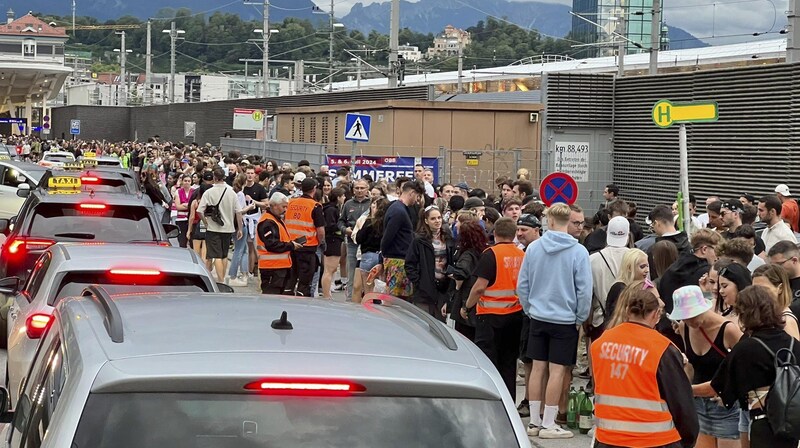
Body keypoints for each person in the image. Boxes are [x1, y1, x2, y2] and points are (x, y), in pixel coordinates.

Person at [518, 202, 592, 440]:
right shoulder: (578, 251)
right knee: (558, 370)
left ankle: (534, 421)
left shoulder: (534, 248)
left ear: (548, 221)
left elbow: (523, 285)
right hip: (565, 319)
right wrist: (579, 317)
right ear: (567, 221)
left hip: (538, 316)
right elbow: (584, 290)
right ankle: (549, 422)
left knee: (537, 368)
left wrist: (530, 309)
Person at [592, 287, 699, 448]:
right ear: (656, 315)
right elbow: (680, 402)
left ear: (627, 311)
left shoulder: (600, 344)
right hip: (655, 440)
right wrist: (688, 439)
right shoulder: (662, 348)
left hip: (608, 437)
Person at [697, 286, 800, 448]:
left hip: (763, 423)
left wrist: (686, 389)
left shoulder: (745, 348)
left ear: (745, 314)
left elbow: (717, 388)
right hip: (791, 421)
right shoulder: (793, 343)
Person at [669, 285, 743, 448]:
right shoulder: (684, 327)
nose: (690, 321)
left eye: (693, 315)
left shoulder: (728, 329)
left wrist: (733, 390)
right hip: (698, 405)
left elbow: (747, 364)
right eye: (684, 317)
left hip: (727, 406)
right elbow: (692, 366)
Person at [462, 218, 525, 401]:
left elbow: (480, 287)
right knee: (509, 363)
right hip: (515, 314)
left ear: (495, 233)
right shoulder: (521, 255)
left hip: (490, 317)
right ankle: (508, 402)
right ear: (514, 235)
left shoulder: (491, 254)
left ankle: (491, 401)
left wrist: (467, 306)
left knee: (489, 363)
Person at [372, 180, 425, 300]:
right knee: (395, 300)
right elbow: (387, 237)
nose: (417, 200)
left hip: (399, 261)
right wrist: (383, 258)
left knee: (398, 299)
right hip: (397, 263)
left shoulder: (399, 208)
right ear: (411, 193)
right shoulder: (398, 211)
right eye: (417, 196)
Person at [406, 205, 454, 320]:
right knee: (422, 323)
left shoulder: (448, 238)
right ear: (426, 221)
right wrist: (420, 282)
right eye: (433, 219)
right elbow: (410, 264)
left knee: (440, 324)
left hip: (443, 287)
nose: (437, 221)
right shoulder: (419, 240)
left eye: (439, 218)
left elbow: (451, 260)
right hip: (424, 289)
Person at [197, 168, 244, 281]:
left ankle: (221, 280)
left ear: (214, 178)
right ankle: (223, 278)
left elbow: (199, 210)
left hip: (213, 228)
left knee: (215, 255)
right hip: (228, 228)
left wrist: (205, 222)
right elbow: (238, 211)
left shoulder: (209, 192)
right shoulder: (232, 192)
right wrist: (240, 229)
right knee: (224, 255)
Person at [589, 216, 632, 338]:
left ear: (607, 233)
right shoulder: (637, 258)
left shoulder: (592, 260)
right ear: (628, 234)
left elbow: (587, 295)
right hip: (630, 320)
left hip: (601, 320)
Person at [284, 178, 325, 297]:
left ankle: (286, 298)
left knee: (291, 278)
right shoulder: (315, 206)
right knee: (305, 281)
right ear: (314, 189)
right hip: (307, 247)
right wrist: (320, 242)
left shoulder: (291, 202)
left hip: (290, 245)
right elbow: (320, 230)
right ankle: (302, 299)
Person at [256, 192, 302, 294]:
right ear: (275, 206)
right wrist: (291, 245)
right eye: (284, 207)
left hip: (278, 267)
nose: (286, 210)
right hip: (272, 268)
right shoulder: (268, 222)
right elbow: (272, 245)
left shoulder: (274, 220)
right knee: (271, 298)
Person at [338, 179, 371, 299]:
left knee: (367, 272)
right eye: (357, 188)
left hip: (367, 244)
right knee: (351, 271)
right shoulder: (348, 204)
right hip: (352, 243)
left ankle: (366, 298)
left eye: (362, 188)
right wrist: (344, 229)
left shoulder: (372, 203)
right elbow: (341, 221)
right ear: (353, 189)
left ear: (367, 189)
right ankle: (350, 298)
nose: (359, 190)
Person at [352, 198, 389, 303]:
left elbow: (359, 238)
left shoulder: (369, 222)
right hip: (383, 257)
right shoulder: (388, 223)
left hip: (368, 256)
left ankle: (369, 312)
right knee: (380, 289)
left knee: (368, 291)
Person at [751, 264, 800, 340]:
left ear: (780, 288)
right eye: (754, 289)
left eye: (764, 289)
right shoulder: (761, 315)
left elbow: (793, 350)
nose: (758, 293)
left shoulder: (786, 321)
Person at [604, 248, 649, 326]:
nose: (647, 270)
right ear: (629, 268)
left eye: (647, 266)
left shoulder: (641, 287)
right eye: (642, 267)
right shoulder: (619, 288)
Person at [226, 174, 253, 286]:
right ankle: (233, 275)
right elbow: (240, 211)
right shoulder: (240, 194)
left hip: (233, 224)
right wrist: (250, 206)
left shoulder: (232, 193)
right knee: (239, 250)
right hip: (240, 224)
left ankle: (244, 272)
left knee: (244, 250)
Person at [321, 187, 346, 299]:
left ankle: (327, 293)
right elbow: (330, 226)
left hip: (334, 240)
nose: (344, 198)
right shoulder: (331, 210)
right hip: (332, 240)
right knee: (329, 269)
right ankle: (326, 294)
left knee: (332, 268)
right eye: (343, 196)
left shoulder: (334, 209)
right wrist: (342, 228)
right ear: (338, 197)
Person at [767, 240, 800, 317]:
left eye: (779, 264)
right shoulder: (775, 283)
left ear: (794, 260)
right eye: (772, 266)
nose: (775, 269)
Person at [173, 174, 193, 248]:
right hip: (181, 219)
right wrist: (189, 206)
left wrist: (185, 205)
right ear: (182, 181)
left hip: (191, 218)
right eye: (185, 181)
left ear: (191, 182)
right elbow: (178, 206)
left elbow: (195, 206)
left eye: (188, 181)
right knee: (182, 241)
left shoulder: (194, 191)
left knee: (192, 241)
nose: (187, 182)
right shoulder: (178, 191)